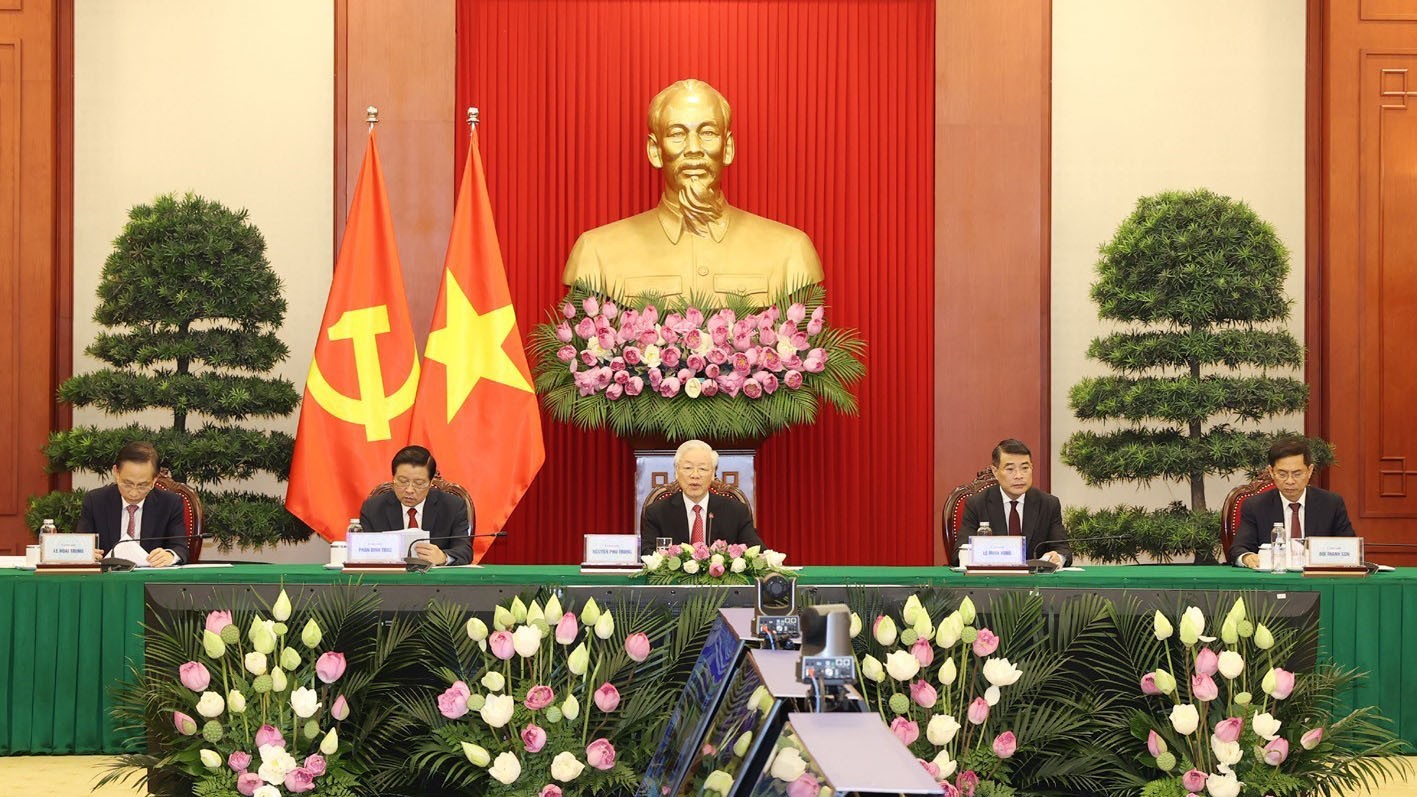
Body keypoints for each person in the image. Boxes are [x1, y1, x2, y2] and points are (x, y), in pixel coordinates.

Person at [562, 79, 824, 303]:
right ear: (655, 151)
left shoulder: (790, 252)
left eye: (708, 132)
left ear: (727, 147)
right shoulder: (596, 253)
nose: (694, 148)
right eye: (677, 134)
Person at [1230, 437, 1355, 568]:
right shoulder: (1256, 506)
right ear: (1271, 472)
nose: (1290, 481)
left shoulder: (1331, 504)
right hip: (1274, 578)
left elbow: (1349, 549)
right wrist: (1247, 557)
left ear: (1309, 471)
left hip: (1317, 578)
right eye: (1282, 474)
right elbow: (1239, 549)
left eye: (1297, 474)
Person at [956, 439, 1071, 567]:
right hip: (993, 577)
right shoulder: (977, 504)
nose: (1019, 476)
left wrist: (1058, 557)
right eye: (1010, 469)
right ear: (995, 471)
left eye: (1025, 468)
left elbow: (1062, 549)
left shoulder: (1048, 504)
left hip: (1035, 578)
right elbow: (960, 552)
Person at [641, 439, 762, 554]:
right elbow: (647, 554)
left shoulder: (736, 512)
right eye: (688, 468)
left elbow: (757, 552)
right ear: (676, 472)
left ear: (713, 473)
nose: (695, 475)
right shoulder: (657, 512)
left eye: (703, 469)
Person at [76, 441, 187, 567]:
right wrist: (85, 553)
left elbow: (180, 547)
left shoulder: (170, 504)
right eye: (127, 483)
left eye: (142, 485)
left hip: (149, 576)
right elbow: (81, 545)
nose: (134, 493)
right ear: (116, 473)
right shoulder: (95, 501)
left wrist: (169, 555)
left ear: (154, 479)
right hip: (108, 576)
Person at [359, 446, 473, 566]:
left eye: (419, 483)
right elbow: (362, 553)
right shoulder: (373, 508)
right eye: (403, 481)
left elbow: (464, 551)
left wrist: (443, 557)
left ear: (430, 483)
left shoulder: (452, 506)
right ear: (393, 478)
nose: (409, 490)